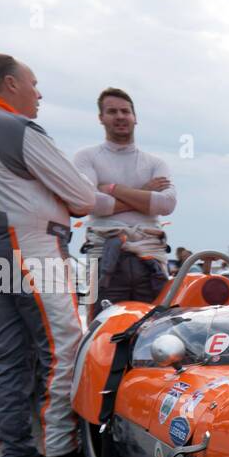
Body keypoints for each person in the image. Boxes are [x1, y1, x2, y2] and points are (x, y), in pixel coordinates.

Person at [0, 53, 97, 457]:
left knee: (10, 353)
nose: (40, 93)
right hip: (30, 247)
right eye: (34, 83)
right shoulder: (15, 127)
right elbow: (83, 198)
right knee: (65, 343)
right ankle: (60, 451)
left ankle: (16, 451)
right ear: (10, 83)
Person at [73, 87, 176, 317]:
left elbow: (167, 204)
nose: (120, 116)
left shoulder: (155, 163)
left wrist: (112, 189)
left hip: (150, 259)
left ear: (135, 117)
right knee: (104, 331)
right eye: (112, 111)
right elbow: (89, 202)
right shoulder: (86, 157)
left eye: (125, 111)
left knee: (155, 330)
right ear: (101, 118)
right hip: (105, 257)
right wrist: (144, 193)